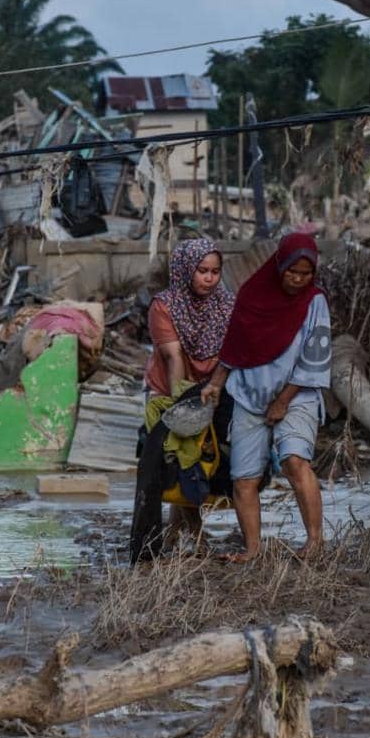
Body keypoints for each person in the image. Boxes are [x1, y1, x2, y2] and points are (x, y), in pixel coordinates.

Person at [202, 233, 331, 561]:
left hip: (296, 393)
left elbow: (313, 361)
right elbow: (235, 345)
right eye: (292, 271)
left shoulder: (314, 302)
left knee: (294, 460)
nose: (298, 279)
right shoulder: (251, 295)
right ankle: (252, 550)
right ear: (279, 266)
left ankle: (314, 542)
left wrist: (283, 401)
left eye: (306, 273)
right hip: (249, 394)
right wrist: (216, 382)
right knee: (243, 479)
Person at [143, 238, 235, 544]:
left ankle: (175, 532)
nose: (209, 278)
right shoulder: (164, 305)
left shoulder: (226, 304)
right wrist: (180, 405)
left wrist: (215, 387)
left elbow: (232, 352)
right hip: (171, 387)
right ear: (185, 270)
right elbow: (174, 357)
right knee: (181, 455)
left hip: (215, 386)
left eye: (215, 271)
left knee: (206, 459)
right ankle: (193, 534)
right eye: (202, 271)